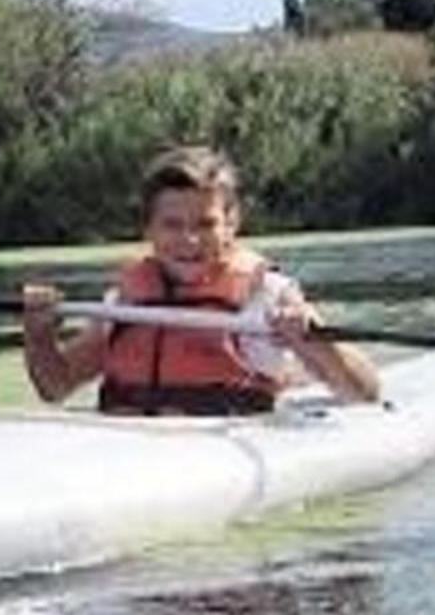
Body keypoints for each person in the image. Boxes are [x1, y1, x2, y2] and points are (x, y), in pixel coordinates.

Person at [21, 145, 380, 415]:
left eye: (205, 224)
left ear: (231, 224)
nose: (190, 240)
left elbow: (365, 395)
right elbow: (56, 388)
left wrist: (310, 339)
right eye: (172, 225)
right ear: (148, 228)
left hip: (223, 443)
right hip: (127, 441)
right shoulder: (124, 302)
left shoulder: (267, 296)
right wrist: (39, 335)